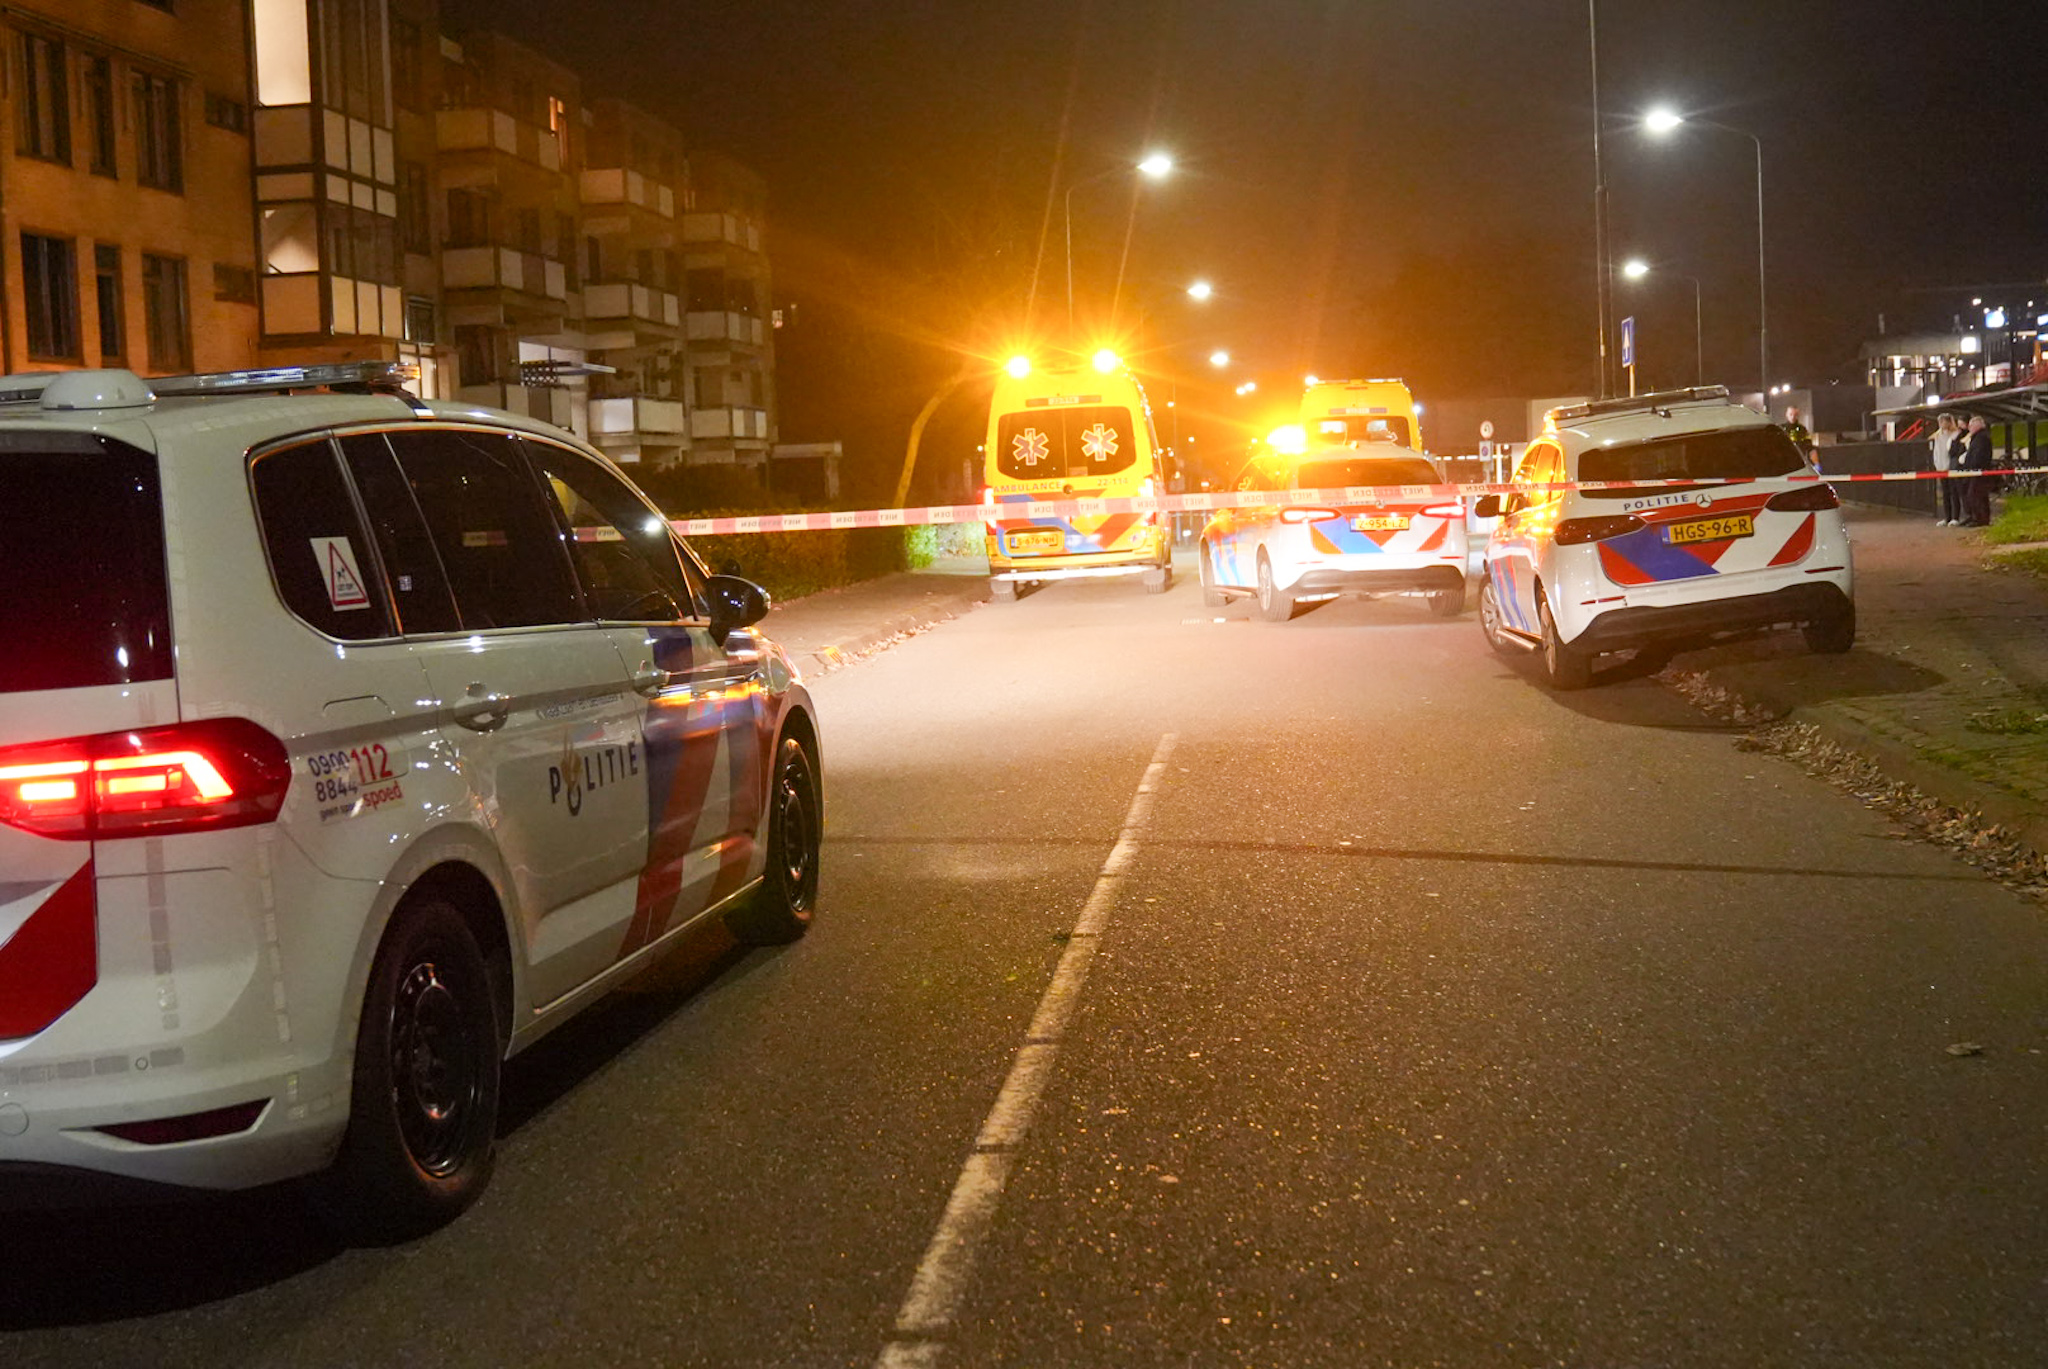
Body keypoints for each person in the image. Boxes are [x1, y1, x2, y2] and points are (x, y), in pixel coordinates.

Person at [1958, 414, 1996, 527]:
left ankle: (1980, 519)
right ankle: (1976, 517)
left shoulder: (1981, 438)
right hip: (1975, 471)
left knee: (1976, 495)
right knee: (1975, 495)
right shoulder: (1978, 437)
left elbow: (1978, 455)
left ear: (1977, 425)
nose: (1969, 428)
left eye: (1971, 425)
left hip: (1979, 472)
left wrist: (1972, 465)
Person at [1930, 413, 1961, 524]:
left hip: (1951, 467)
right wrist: (1937, 464)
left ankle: (1955, 517)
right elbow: (1937, 451)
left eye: (1943, 421)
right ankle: (1947, 517)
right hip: (1941, 467)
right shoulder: (1937, 435)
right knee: (1945, 493)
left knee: (1954, 492)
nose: (1942, 424)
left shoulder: (1955, 434)